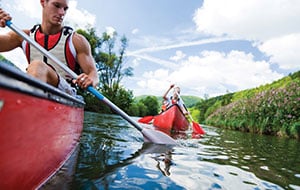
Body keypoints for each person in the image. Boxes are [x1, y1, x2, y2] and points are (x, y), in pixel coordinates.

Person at [0, 0, 99, 97]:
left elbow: (93, 74)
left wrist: (90, 79)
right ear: (43, 2)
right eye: (56, 5)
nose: (62, 13)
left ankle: (26, 105)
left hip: (65, 93)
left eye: (65, 9)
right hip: (34, 84)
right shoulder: (23, 36)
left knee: (37, 66)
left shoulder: (76, 41)